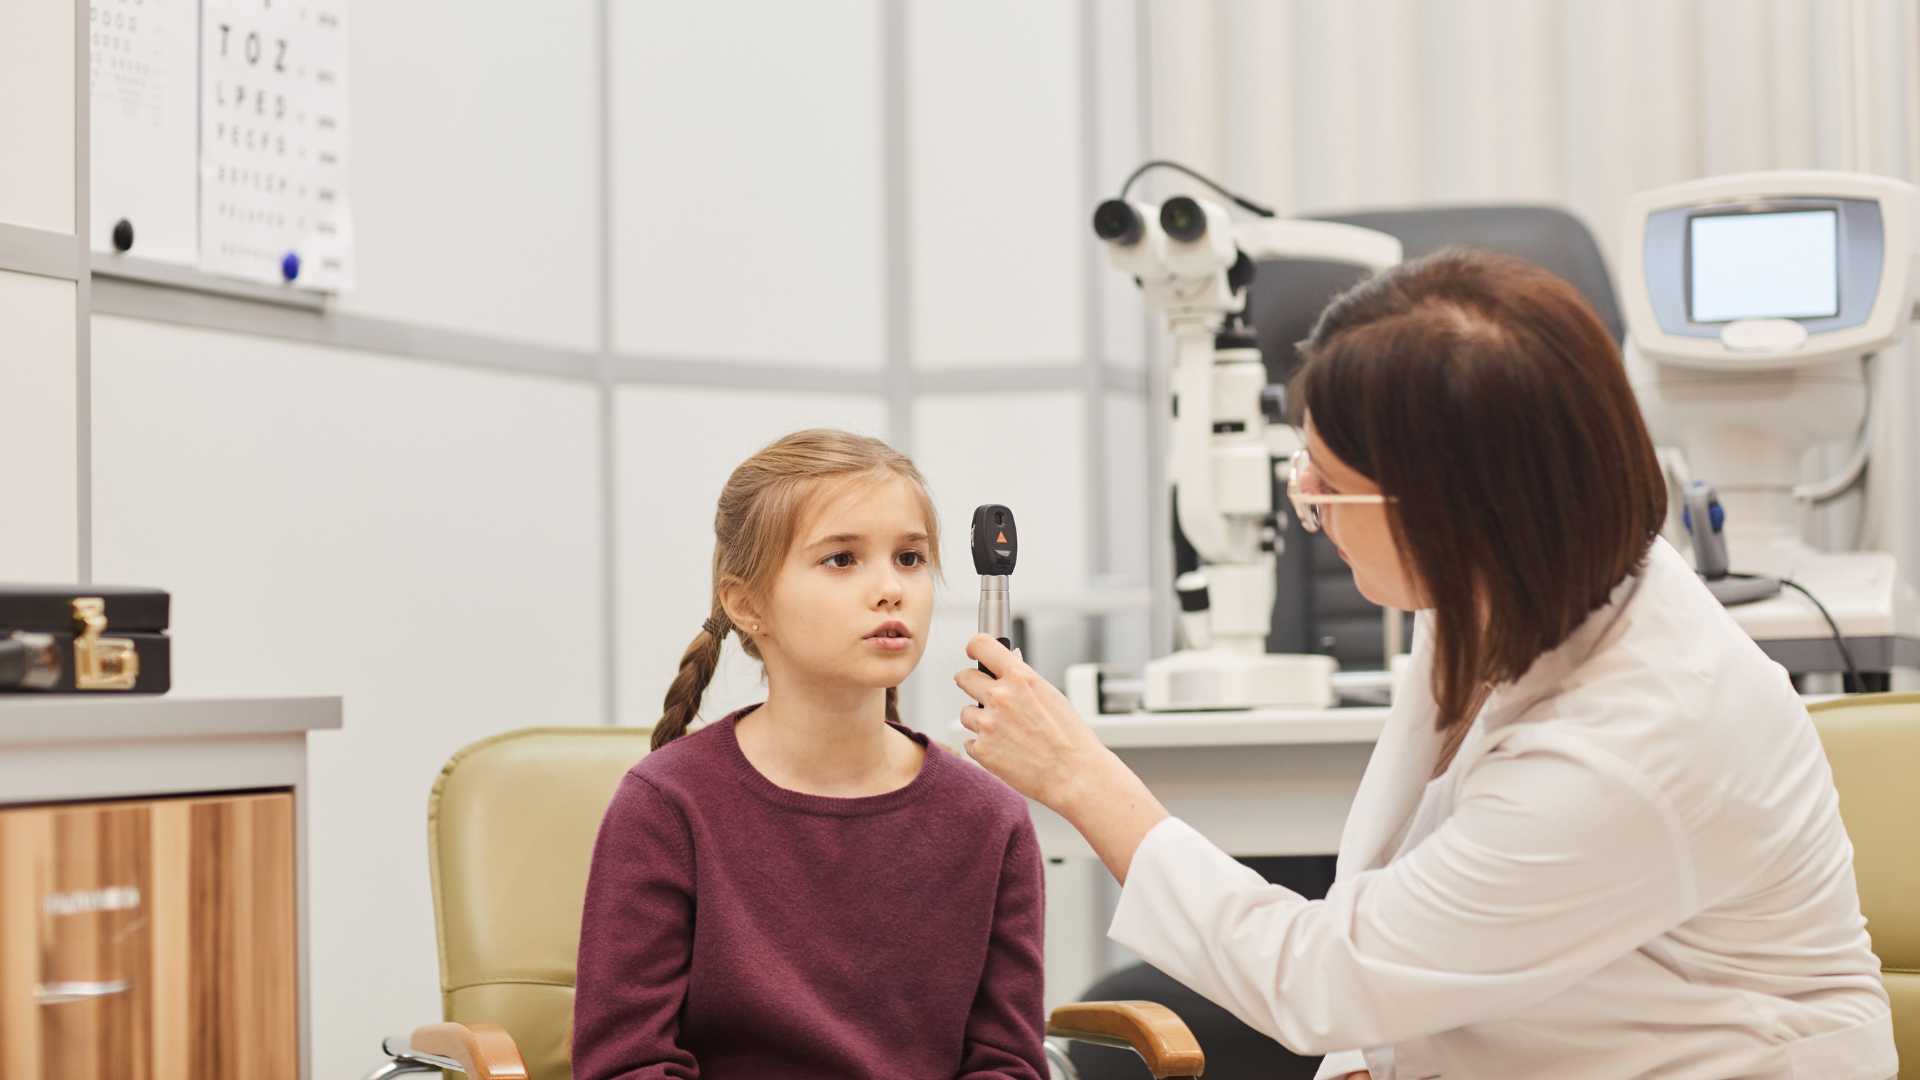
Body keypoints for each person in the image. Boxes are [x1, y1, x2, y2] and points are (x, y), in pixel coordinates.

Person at [957, 249, 1897, 1080]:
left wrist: (1077, 776)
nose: (1304, 503)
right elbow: (1396, 917)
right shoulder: (1511, 585)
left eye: (1328, 483)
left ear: (1450, 512)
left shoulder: (1633, 745)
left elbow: (1324, 976)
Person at [574, 429, 1047, 1080]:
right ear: (746, 604)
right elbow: (626, 1065)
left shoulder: (991, 820)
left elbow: (1007, 1066)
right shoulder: (666, 807)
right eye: (841, 559)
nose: (891, 589)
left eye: (909, 558)